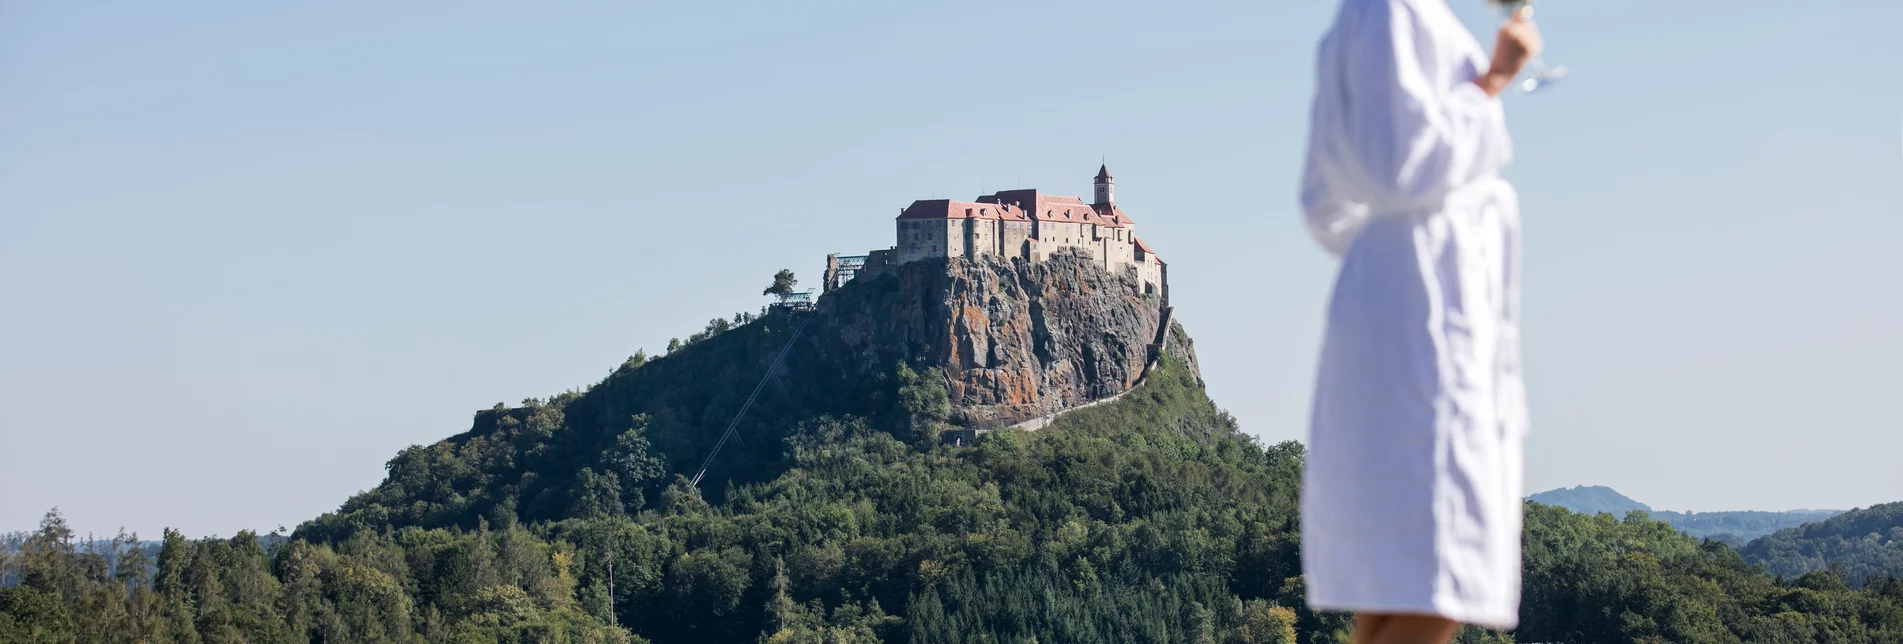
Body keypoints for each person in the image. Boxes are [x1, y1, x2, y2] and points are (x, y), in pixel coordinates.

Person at [1296, 0, 1542, 642]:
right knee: (1437, 573)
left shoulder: (1375, 14)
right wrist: (1491, 83)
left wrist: (1385, 256)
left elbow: (1323, 201)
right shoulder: (1395, 10)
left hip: (1395, 295)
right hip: (1425, 312)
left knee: (1396, 580)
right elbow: (1400, 161)